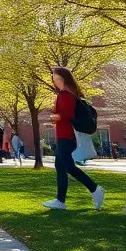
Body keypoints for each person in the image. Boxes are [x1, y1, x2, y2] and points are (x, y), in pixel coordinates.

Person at [43, 67, 105, 212]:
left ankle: (95, 189)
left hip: (67, 136)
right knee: (60, 167)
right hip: (64, 136)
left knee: (68, 167)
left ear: (61, 78)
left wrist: (53, 117)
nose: (53, 79)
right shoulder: (67, 93)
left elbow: (68, 114)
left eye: (55, 76)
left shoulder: (65, 94)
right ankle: (60, 201)